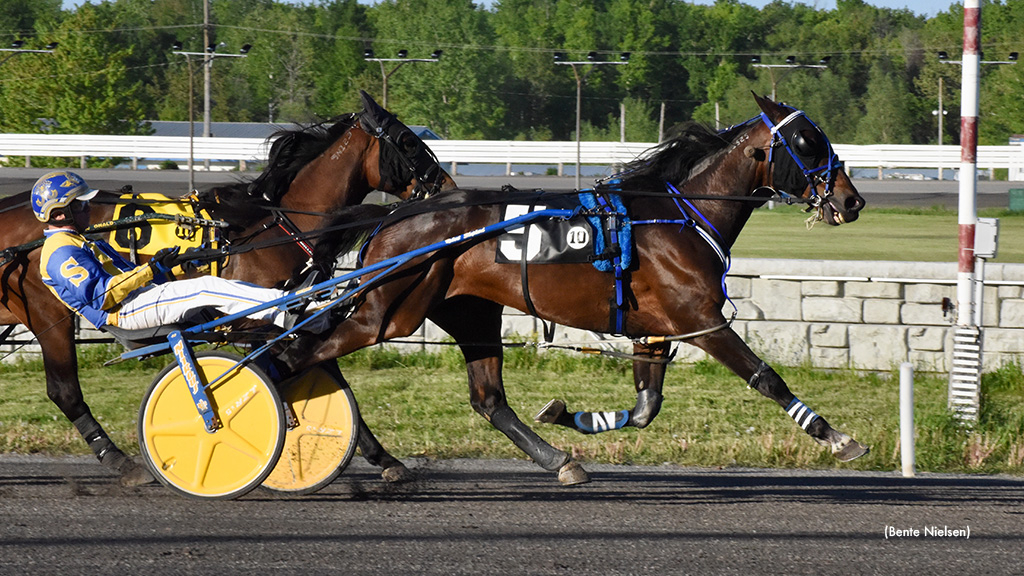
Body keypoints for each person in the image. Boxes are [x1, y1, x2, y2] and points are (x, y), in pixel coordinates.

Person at [32, 170, 327, 336]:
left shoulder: (79, 240)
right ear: (59, 214)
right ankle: (294, 308)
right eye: (80, 205)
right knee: (207, 287)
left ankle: (294, 315)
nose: (87, 209)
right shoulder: (59, 253)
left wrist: (166, 267)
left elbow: (125, 276)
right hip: (123, 313)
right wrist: (150, 270)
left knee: (216, 286)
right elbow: (103, 296)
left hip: (139, 299)